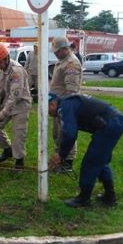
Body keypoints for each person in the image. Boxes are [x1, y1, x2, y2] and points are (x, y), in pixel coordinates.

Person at [48, 92, 123, 208]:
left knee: (90, 163)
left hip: (111, 125)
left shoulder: (64, 107)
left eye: (47, 110)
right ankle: (110, 197)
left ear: (52, 104)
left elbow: (70, 134)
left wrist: (61, 155)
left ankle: (84, 198)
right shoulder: (68, 102)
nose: (49, 114)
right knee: (100, 161)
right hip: (114, 123)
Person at [0, 42, 32, 169]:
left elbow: (15, 95)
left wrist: (3, 113)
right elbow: (0, 87)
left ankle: (19, 161)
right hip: (8, 102)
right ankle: (7, 150)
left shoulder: (16, 71)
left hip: (21, 104)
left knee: (18, 133)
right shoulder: (1, 69)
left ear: (6, 58)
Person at [49, 37, 82, 173]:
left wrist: (65, 107)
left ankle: (67, 163)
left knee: (67, 132)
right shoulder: (62, 61)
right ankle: (60, 158)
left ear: (64, 49)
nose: (55, 54)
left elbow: (71, 91)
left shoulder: (71, 64)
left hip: (66, 105)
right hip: (59, 105)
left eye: (57, 51)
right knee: (58, 133)